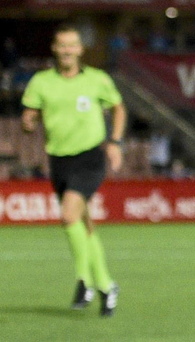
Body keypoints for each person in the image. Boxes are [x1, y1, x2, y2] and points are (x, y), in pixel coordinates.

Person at [20, 23, 126, 316]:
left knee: (68, 215)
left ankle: (87, 281)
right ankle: (107, 286)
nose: (67, 51)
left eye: (72, 45)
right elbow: (29, 115)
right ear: (55, 49)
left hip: (90, 156)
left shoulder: (97, 80)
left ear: (80, 49)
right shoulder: (41, 82)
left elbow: (118, 108)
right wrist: (28, 123)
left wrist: (115, 142)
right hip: (59, 158)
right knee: (84, 223)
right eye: (62, 45)